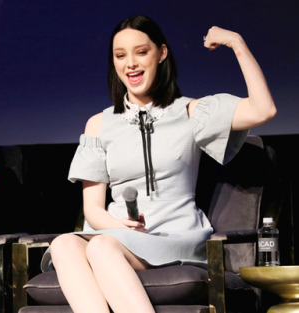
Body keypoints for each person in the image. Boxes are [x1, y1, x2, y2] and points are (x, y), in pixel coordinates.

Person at [47, 14, 277, 313]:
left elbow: (264, 109)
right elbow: (92, 209)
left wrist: (236, 43)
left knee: (102, 247)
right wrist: (120, 225)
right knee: (64, 244)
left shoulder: (190, 112)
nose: (130, 63)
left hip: (175, 233)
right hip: (115, 232)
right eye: (120, 55)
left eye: (141, 52)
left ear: (161, 54)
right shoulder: (98, 124)